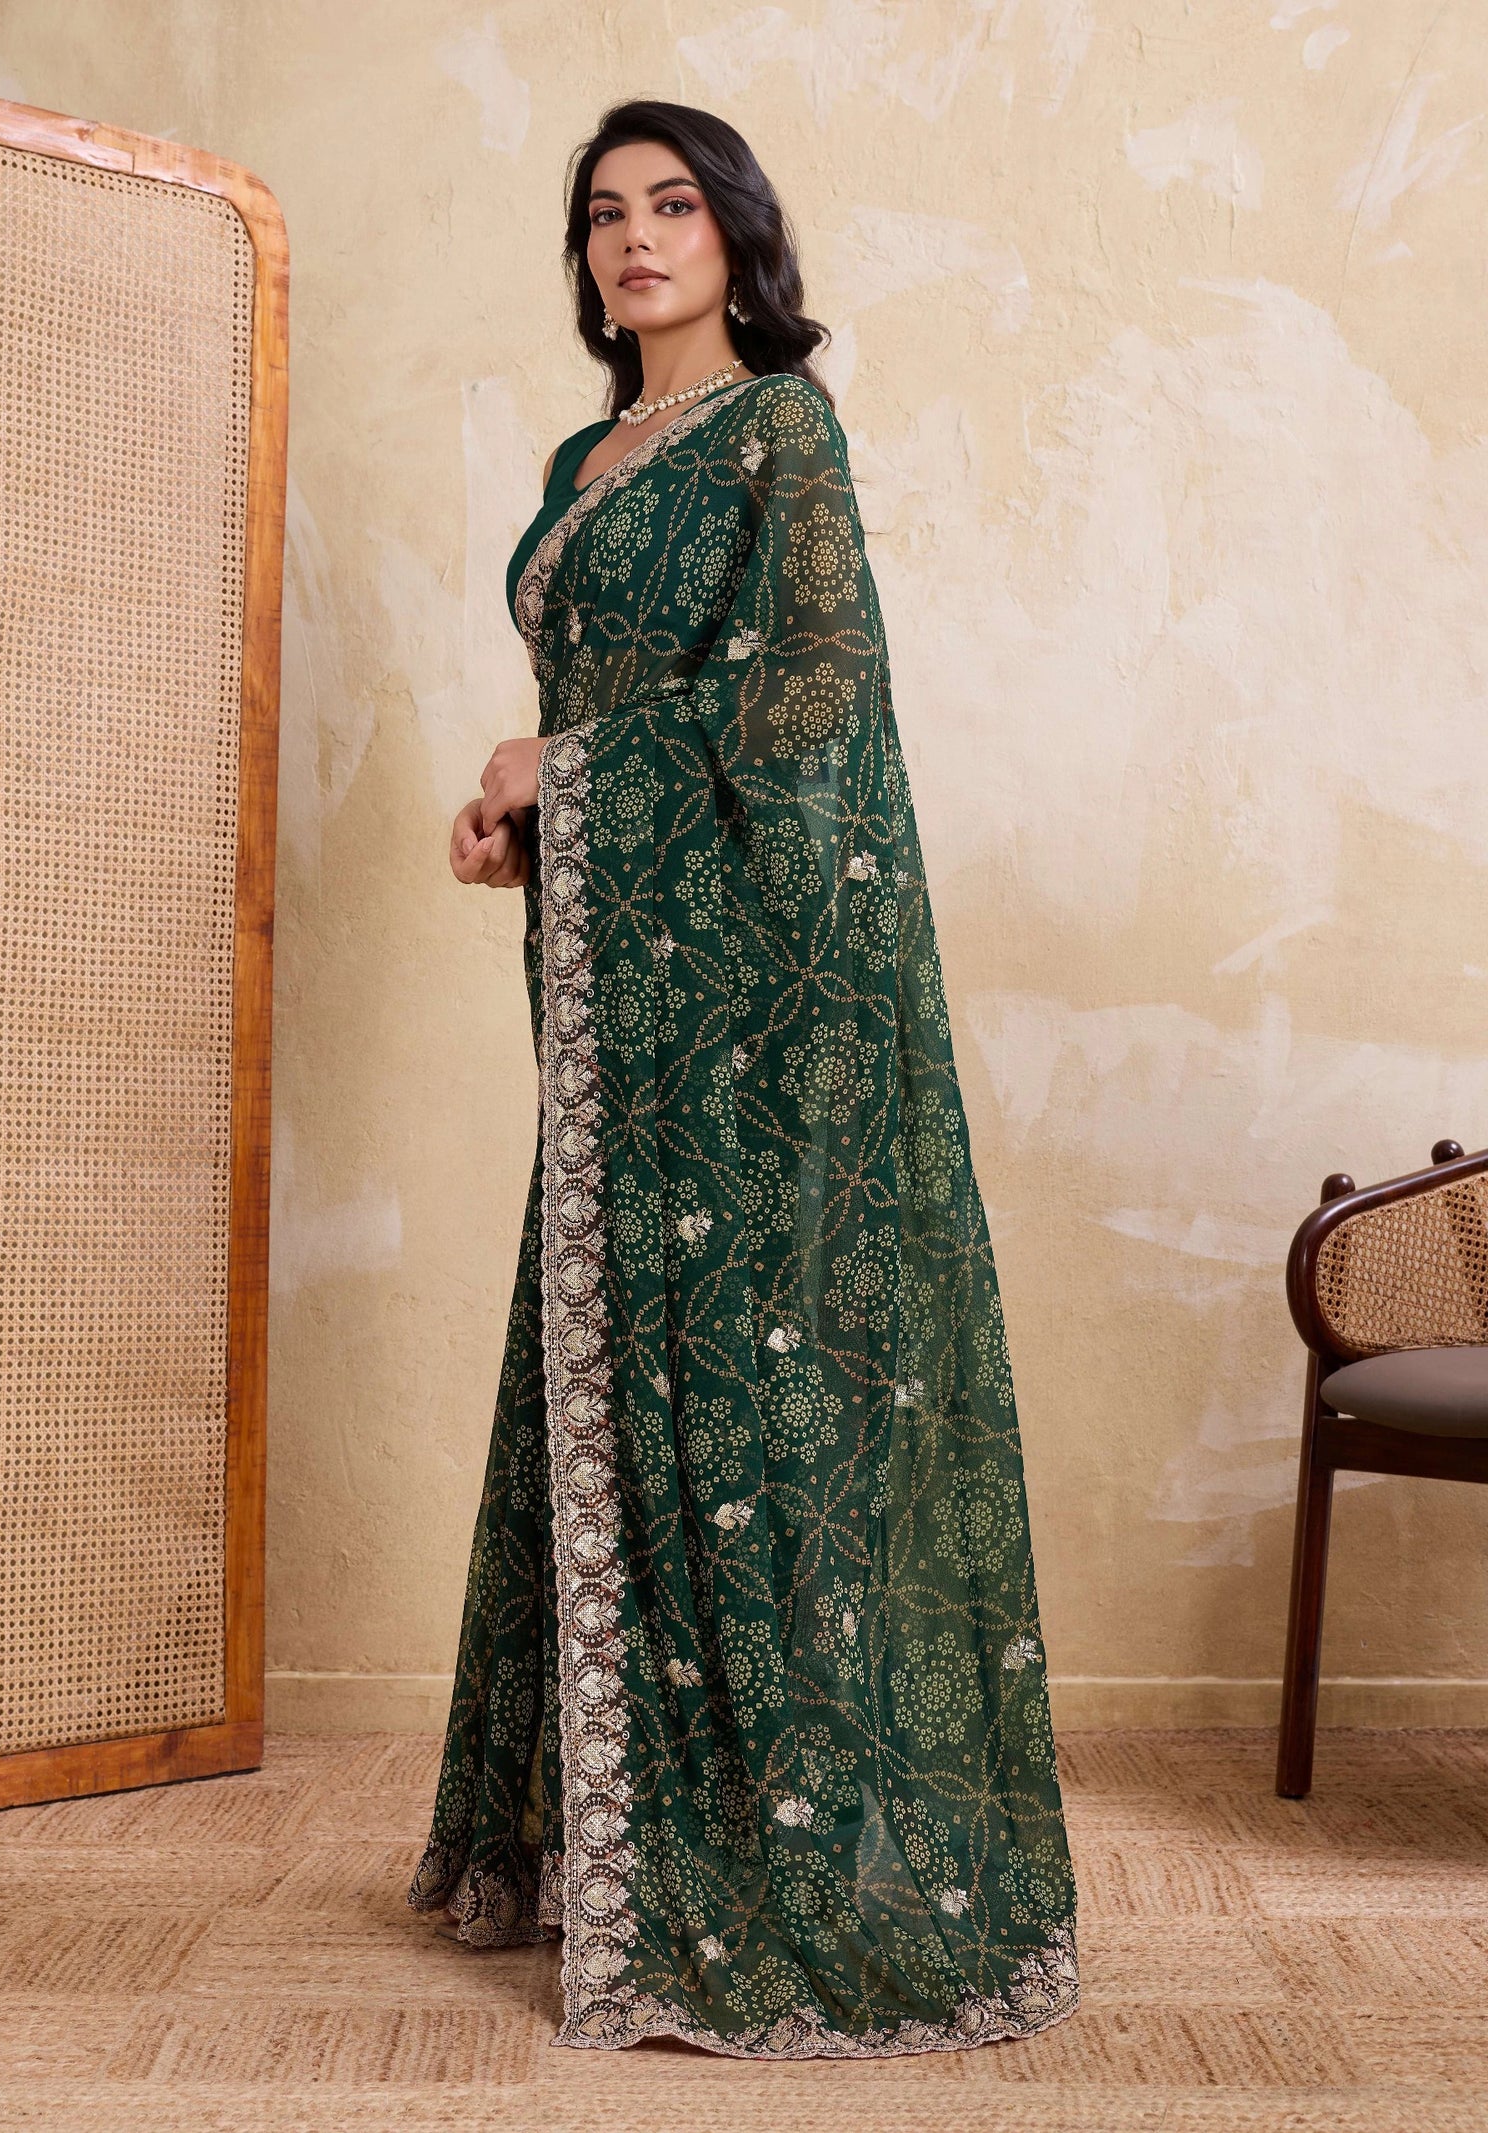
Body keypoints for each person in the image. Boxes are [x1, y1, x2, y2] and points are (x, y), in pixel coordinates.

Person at [410, 96, 1080, 2060]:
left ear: (733, 235)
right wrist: (513, 813)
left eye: (671, 205)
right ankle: (607, 1842)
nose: (634, 239)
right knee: (607, 1359)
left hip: (756, 997)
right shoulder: (575, 454)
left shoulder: (782, 428)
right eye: (602, 213)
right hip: (615, 978)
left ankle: (765, 1867)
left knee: (749, 1386)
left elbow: (810, 698)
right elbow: (591, 714)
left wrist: (573, 775)